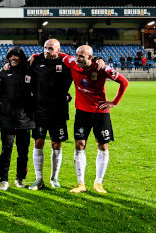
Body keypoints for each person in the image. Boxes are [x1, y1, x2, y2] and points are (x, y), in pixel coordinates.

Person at [65, 44, 129, 194]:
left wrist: (114, 102)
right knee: (80, 144)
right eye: (77, 55)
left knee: (103, 146)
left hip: (101, 112)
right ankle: (80, 183)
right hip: (82, 111)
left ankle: (98, 183)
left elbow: (124, 82)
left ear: (90, 57)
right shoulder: (72, 63)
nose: (77, 58)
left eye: (81, 56)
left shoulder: (102, 68)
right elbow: (58, 54)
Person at [27, 39, 73, 190]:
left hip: (59, 110)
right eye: (45, 48)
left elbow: (83, 61)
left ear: (58, 50)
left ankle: (54, 178)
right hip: (39, 109)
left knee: (56, 143)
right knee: (38, 142)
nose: (47, 51)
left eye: (51, 48)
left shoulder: (66, 62)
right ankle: (38, 179)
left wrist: (99, 59)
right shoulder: (36, 60)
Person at [0, 47, 35, 190]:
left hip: (25, 118)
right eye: (10, 56)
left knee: (23, 152)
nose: (12, 58)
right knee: (6, 149)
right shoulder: (3, 72)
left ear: (21, 57)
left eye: (15, 56)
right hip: (7, 117)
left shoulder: (30, 72)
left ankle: (20, 178)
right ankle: (4, 179)